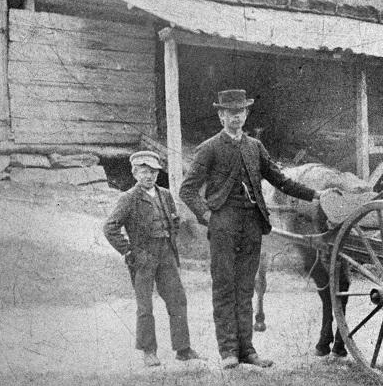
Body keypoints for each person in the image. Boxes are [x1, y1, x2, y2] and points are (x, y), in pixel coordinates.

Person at [180, 89, 326, 370]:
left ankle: (247, 350)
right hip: (223, 224)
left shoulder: (255, 147)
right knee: (224, 287)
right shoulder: (209, 148)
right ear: (221, 115)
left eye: (240, 112)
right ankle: (228, 352)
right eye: (230, 113)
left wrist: (315, 195)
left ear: (246, 114)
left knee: (246, 288)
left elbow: (280, 180)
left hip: (252, 224)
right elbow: (187, 190)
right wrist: (207, 216)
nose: (236, 118)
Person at [104, 151, 199, 367]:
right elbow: (110, 228)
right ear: (135, 172)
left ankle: (183, 349)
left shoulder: (165, 194)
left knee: (177, 299)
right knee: (145, 306)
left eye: (154, 172)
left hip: (166, 253)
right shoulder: (128, 198)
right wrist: (128, 251)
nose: (149, 176)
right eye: (144, 172)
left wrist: (172, 235)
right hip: (143, 256)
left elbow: (174, 222)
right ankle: (149, 351)